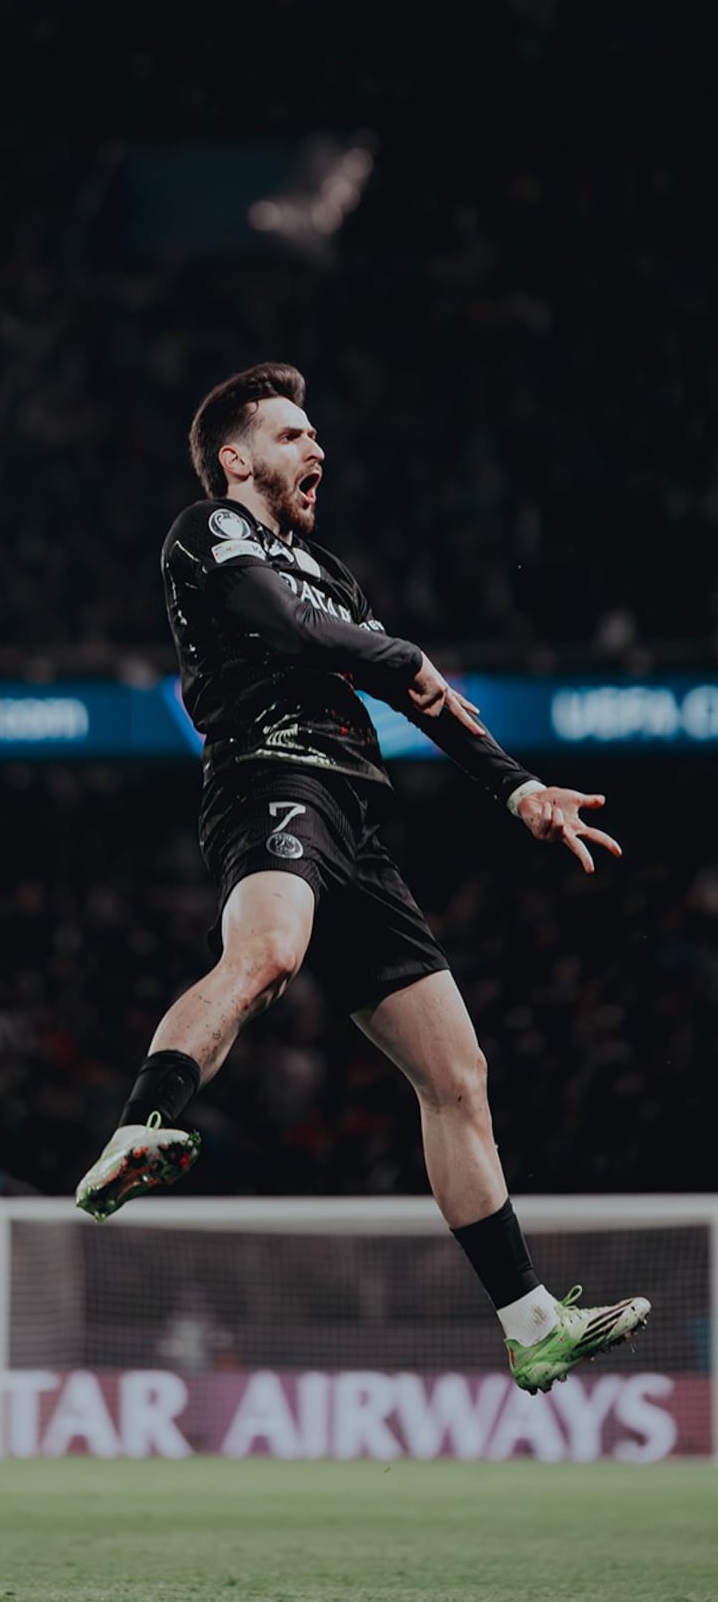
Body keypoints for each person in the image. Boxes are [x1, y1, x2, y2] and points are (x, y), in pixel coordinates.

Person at [75, 362, 650, 1396]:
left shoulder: (331, 573)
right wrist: (397, 655)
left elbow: (420, 694)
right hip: (267, 777)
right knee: (266, 955)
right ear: (234, 458)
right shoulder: (207, 531)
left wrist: (516, 789)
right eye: (292, 435)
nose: (315, 451)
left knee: (456, 1076)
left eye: (314, 437)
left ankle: (527, 1323)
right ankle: (140, 1125)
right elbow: (297, 633)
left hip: (357, 822)